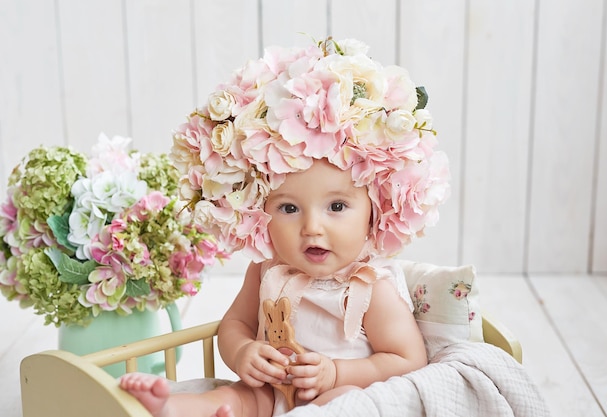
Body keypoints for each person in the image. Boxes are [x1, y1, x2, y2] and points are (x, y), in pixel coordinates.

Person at [120, 37, 450, 417]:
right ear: (260, 211)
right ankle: (174, 408)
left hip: (340, 395)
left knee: (334, 408)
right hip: (272, 393)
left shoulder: (369, 287)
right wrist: (244, 351)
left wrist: (337, 372)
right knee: (237, 397)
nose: (311, 227)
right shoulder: (267, 269)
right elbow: (235, 324)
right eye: (289, 208)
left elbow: (407, 360)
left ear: (375, 212)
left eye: (337, 206)